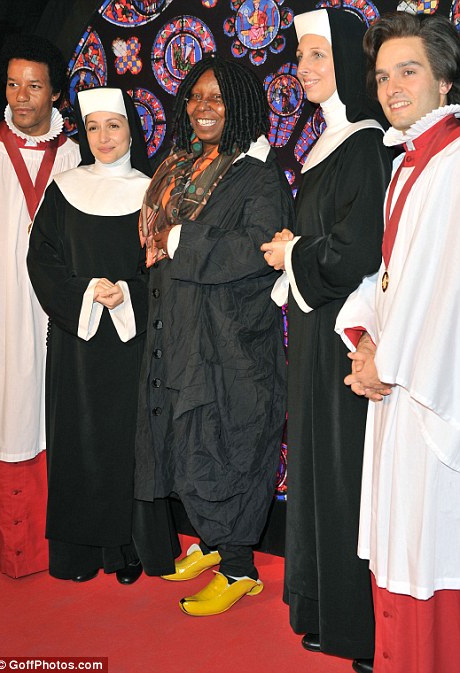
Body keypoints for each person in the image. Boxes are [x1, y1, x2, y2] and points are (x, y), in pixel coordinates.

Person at [134, 53, 293, 616]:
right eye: (196, 96)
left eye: (217, 98)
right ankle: (212, 540)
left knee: (228, 444)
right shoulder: (180, 166)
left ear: (241, 107)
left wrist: (182, 240)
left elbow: (259, 250)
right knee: (188, 441)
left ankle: (240, 568)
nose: (203, 107)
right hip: (179, 332)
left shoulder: (258, 175)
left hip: (230, 343)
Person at [261, 9, 392, 672]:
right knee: (317, 464)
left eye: (318, 55)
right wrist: (296, 251)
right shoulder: (327, 142)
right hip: (316, 329)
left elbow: (357, 251)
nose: (304, 68)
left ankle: (356, 624)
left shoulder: (365, 145)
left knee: (344, 472)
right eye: (300, 56)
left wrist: (294, 252)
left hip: (348, 333)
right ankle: (320, 608)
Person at [335, 12, 460, 673]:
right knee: (404, 538)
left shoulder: (454, 166)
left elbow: (447, 290)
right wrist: (365, 338)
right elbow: (390, 276)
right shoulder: (408, 163)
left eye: (408, 71)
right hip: (399, 379)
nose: (392, 87)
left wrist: (387, 360)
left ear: (445, 79)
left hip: (433, 388)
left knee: (431, 541)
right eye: (383, 76)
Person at [27, 87, 179, 583]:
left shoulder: (151, 194)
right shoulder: (63, 189)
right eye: (93, 127)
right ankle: (77, 553)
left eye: (113, 126)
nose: (103, 137)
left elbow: (165, 268)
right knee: (76, 442)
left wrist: (129, 293)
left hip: (131, 344)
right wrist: (88, 292)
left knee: (126, 446)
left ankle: (126, 550)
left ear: (132, 130)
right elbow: (41, 259)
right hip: (76, 341)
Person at [0, 34, 80, 578]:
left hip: (55, 310)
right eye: (12, 85)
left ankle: (54, 543)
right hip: (0, 307)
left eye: (33, 86)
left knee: (49, 414)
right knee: (5, 410)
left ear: (56, 94)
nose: (21, 97)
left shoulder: (73, 155)